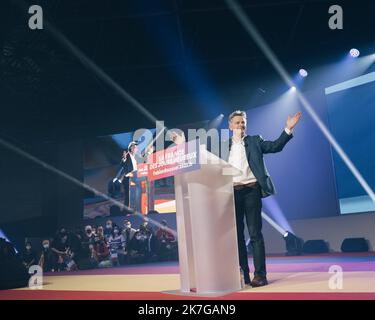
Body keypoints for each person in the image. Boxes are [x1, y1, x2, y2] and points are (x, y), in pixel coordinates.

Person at [226, 110, 301, 287]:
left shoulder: (255, 140)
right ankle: (243, 275)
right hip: (232, 193)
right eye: (237, 123)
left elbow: (275, 146)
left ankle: (260, 275)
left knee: (255, 234)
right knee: (236, 236)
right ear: (230, 126)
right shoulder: (222, 146)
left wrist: (287, 129)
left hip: (252, 190)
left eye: (243, 122)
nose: (241, 125)